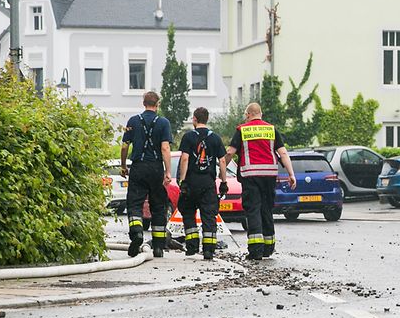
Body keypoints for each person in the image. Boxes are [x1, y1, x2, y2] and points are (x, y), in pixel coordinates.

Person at [225, 102, 296, 261]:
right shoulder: (271, 129)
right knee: (266, 209)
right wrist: (291, 174)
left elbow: (230, 151)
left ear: (248, 114)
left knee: (253, 210)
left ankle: (256, 250)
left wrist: (222, 163)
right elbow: (283, 153)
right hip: (270, 176)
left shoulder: (242, 130)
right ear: (260, 114)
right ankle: (268, 247)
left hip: (250, 176)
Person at [120, 91, 173, 258]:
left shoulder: (133, 121)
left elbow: (124, 146)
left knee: (135, 203)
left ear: (143, 103)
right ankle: (158, 247)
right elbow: (165, 148)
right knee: (158, 206)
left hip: (138, 167)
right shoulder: (163, 123)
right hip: (156, 168)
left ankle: (137, 233)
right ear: (157, 105)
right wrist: (168, 171)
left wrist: (123, 166)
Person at [177, 107, 230, 261]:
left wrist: (183, 180)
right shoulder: (215, 138)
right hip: (208, 182)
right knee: (209, 216)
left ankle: (192, 246)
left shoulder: (188, 137)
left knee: (188, 212)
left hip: (192, 181)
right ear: (207, 119)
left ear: (194, 119)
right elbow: (221, 161)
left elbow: (185, 159)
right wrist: (224, 182)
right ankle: (209, 250)